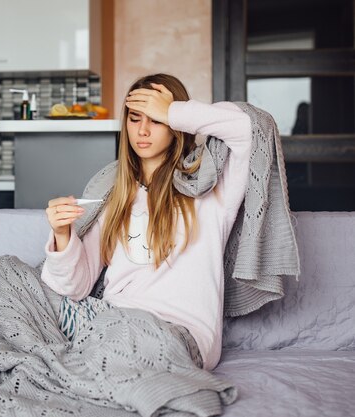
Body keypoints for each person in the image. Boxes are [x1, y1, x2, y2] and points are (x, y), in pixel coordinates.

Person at [41, 73, 252, 372]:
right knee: (4, 276)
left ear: (177, 125)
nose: (142, 130)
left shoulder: (212, 187)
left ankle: (86, 363)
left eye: (155, 119)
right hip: (109, 321)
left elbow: (250, 129)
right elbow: (75, 287)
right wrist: (62, 234)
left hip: (177, 335)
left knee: (123, 347)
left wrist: (173, 110)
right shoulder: (112, 194)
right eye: (135, 118)